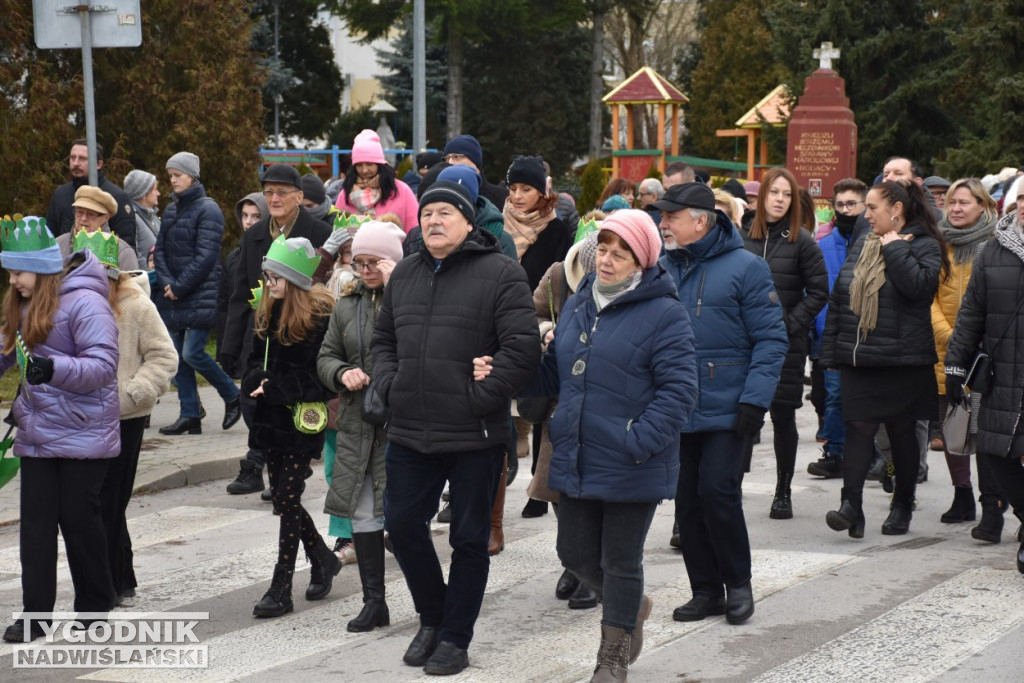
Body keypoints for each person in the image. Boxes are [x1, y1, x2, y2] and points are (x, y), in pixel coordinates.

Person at [511, 210, 698, 681]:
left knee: (620, 560)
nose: (608, 260)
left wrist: (639, 440)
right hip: (576, 452)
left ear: (643, 260)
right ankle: (631, 604)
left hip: (631, 459)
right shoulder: (578, 304)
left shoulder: (664, 312)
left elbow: (680, 391)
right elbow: (555, 371)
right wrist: (512, 367)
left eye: (621, 252)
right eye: (604, 250)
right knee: (574, 554)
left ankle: (611, 657)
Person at [371, 173, 540, 675]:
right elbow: (383, 342)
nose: (433, 220)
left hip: (474, 434)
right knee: (401, 526)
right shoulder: (404, 274)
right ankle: (433, 615)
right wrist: (390, 384)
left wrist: (481, 396)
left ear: (469, 222)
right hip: (410, 429)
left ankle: (455, 638)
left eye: (445, 213)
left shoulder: (501, 272)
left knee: (469, 538)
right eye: (426, 214)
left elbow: (522, 350)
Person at [652, 183, 787, 626]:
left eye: (671, 216)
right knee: (687, 502)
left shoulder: (747, 267)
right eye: (662, 216)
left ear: (701, 220)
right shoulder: (660, 268)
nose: (663, 224)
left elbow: (771, 339)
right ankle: (705, 589)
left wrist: (754, 400)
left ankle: (739, 584)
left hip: (730, 407)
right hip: (677, 405)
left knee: (717, 492)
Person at [0, 217, 120, 643]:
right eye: (10, 273)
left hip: (84, 430)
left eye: (18, 273)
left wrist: (54, 369)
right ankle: (35, 616)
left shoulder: (86, 302)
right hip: (38, 431)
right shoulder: (23, 303)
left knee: (78, 521)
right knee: (35, 526)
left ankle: (93, 606)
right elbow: (7, 350)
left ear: (43, 269)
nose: (13, 282)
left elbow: (104, 366)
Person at [821, 180, 947, 538]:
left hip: (903, 360)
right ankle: (852, 506)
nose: (866, 214)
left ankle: (903, 503)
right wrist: (830, 351)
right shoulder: (863, 242)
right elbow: (840, 297)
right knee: (858, 427)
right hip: (861, 358)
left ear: (896, 210)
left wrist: (895, 249)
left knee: (901, 433)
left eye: (872, 207)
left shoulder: (924, 244)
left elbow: (920, 289)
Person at [73, 229, 177, 605]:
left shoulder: (136, 306)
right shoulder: (74, 305)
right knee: (92, 503)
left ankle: (116, 582)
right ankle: (115, 579)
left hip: (125, 417)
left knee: (111, 501)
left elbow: (165, 357)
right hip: (83, 417)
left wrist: (135, 392)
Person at [244, 235, 341, 617]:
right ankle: (321, 557)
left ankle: (281, 585)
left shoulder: (319, 319)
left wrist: (280, 387)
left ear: (296, 281)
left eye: (275, 277)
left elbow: (322, 376)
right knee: (286, 500)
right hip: (270, 422)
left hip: (302, 421)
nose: (269, 283)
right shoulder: (266, 314)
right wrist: (256, 379)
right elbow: (252, 361)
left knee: (285, 498)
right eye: (267, 276)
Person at [220, 163, 332, 494]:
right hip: (260, 333)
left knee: (288, 399)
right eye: (268, 192)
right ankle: (261, 465)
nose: (274, 198)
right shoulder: (254, 235)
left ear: (299, 196)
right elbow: (240, 294)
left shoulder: (318, 233)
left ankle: (284, 467)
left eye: (282, 192)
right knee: (255, 401)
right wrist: (228, 347)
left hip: (299, 333)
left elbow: (322, 289)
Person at [317, 220, 406, 632]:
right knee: (364, 513)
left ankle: (430, 598)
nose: (365, 270)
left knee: (405, 517)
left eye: (375, 262)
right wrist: (341, 373)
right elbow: (325, 356)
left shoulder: (411, 300)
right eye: (360, 261)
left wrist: (397, 288)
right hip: (357, 422)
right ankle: (375, 602)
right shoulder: (346, 305)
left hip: (401, 423)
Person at [740, 168, 829, 519]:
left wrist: (790, 325)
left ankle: (783, 490)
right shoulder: (742, 236)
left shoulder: (802, 241)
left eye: (787, 194)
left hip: (784, 345)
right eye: (774, 192)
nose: (779, 199)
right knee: (742, 415)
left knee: (782, 414)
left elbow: (820, 291)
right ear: (762, 196)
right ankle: (732, 484)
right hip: (742, 343)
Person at [946, 192, 1024, 574]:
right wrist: (955, 366)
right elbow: (971, 312)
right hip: (1002, 373)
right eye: (1023, 196)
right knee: (995, 451)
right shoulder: (992, 252)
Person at [526, 232, 600, 609]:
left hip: (602, 399)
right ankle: (574, 563)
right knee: (558, 484)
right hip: (561, 397)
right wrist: (546, 332)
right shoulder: (558, 276)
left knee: (594, 489)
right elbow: (534, 312)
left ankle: (590, 568)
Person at [154, 152, 242, 436]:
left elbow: (206, 257)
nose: (173, 180)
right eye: (170, 176)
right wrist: (168, 283)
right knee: (178, 356)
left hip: (198, 293)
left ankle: (232, 395)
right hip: (173, 293)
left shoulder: (208, 209)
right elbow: (161, 250)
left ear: (192, 175)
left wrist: (179, 287)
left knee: (192, 352)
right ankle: (190, 414)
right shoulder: (171, 210)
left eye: (177, 175)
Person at [503, 155, 572, 518]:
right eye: (513, 188)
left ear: (541, 191)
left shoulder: (555, 229)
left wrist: (548, 327)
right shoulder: (500, 225)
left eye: (525, 189)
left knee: (542, 403)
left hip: (539, 323)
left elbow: (560, 281)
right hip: (503, 320)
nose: (517, 196)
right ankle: (504, 470)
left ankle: (537, 488)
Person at [932, 179, 1000, 530]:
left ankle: (996, 499)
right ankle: (962, 494)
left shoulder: (996, 246)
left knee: (987, 430)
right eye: (952, 202)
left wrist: (973, 339)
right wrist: (951, 335)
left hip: (987, 353)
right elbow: (929, 298)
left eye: (964, 203)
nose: (956, 208)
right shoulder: (938, 244)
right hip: (947, 350)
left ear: (982, 207)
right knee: (953, 426)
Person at [807, 178, 868, 479]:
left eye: (851, 204)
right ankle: (834, 453)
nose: (845, 210)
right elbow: (815, 290)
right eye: (840, 204)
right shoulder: (823, 245)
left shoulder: (873, 240)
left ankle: (869, 456)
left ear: (864, 206)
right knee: (833, 396)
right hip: (830, 333)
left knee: (866, 399)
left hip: (867, 334)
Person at [45, 138, 136, 247]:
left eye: (82, 159)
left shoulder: (117, 196)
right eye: (72, 158)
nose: (75, 163)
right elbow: (49, 237)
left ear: (99, 164)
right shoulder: (60, 195)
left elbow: (127, 244)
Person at [334, 130, 419, 232]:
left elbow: (415, 231)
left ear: (379, 164)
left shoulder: (402, 190)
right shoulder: (344, 195)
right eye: (359, 165)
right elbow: (337, 232)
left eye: (369, 164)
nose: (364, 170)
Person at [55, 186, 139, 270]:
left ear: (106, 217)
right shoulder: (57, 244)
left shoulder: (122, 252)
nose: (83, 218)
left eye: (91, 214)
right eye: (79, 212)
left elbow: (131, 282)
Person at [442, 134, 508, 209]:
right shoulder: (439, 196)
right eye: (446, 159)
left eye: (457, 157)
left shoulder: (503, 199)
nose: (450, 162)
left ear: (474, 160)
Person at [123, 169, 161, 264]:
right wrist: (149, 273)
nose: (158, 193)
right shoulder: (131, 218)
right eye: (155, 189)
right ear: (144, 194)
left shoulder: (153, 216)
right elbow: (134, 254)